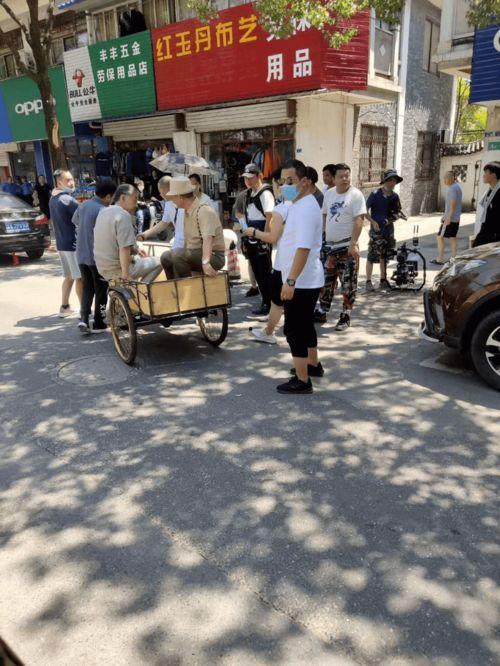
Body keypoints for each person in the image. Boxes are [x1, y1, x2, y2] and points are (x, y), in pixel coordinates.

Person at [275, 159, 324, 394]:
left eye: (290, 180)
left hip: (301, 282)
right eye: (283, 181)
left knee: (294, 330)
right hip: (305, 279)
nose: (285, 186)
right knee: (305, 326)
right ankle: (312, 364)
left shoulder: (305, 208)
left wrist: (290, 281)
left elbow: (303, 248)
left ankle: (303, 381)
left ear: (304, 182)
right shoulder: (299, 203)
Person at [245, 169, 296, 344]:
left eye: (287, 182)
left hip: (289, 264)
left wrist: (255, 233)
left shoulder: (282, 208)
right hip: (293, 262)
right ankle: (269, 331)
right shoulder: (307, 205)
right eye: (282, 182)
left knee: (281, 300)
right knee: (278, 300)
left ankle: (280, 333)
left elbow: (273, 236)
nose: (282, 186)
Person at [318, 163, 366, 330]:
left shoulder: (355, 195)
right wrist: (322, 237)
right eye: (341, 176)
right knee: (326, 282)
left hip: (347, 247)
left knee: (348, 284)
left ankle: (346, 315)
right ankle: (322, 310)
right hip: (329, 247)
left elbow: (359, 220)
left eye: (347, 175)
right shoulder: (329, 194)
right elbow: (324, 215)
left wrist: (353, 243)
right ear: (334, 178)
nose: (345, 179)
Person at [72, 179, 116, 334]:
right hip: (96, 256)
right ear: (108, 196)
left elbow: (75, 221)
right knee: (101, 289)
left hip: (81, 254)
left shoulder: (83, 205)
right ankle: (99, 322)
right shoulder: (103, 210)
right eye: (113, 197)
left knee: (88, 288)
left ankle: (84, 319)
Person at [160, 176, 225, 279]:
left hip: (214, 255)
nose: (172, 201)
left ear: (180, 197)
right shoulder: (186, 212)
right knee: (166, 257)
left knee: (177, 255)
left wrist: (206, 263)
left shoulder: (204, 210)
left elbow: (208, 239)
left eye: (173, 197)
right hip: (195, 252)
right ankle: (174, 285)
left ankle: (187, 285)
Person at [94, 184, 162, 282]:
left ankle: (137, 287)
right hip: (118, 269)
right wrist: (125, 274)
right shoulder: (123, 215)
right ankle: (141, 289)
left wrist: (136, 250)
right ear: (123, 198)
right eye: (135, 198)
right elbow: (124, 248)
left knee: (139, 257)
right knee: (160, 261)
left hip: (102, 268)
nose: (136, 202)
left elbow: (115, 243)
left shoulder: (103, 212)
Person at [241, 163, 275, 316]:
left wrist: (265, 238)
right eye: (245, 178)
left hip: (261, 235)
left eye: (250, 177)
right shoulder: (250, 194)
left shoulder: (265, 193)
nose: (248, 181)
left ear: (259, 176)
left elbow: (270, 217)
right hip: (251, 235)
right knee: (257, 271)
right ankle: (265, 301)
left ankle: (269, 303)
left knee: (264, 272)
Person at [49, 169, 83, 317]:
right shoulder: (68, 200)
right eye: (67, 180)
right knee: (80, 278)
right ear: (59, 182)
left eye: (72, 179)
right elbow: (84, 219)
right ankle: (85, 311)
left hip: (62, 244)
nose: (71, 182)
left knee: (69, 276)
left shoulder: (53, 198)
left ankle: (64, 307)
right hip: (72, 244)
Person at [365, 169, 404, 291]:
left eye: (394, 181)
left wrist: (391, 219)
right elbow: (364, 211)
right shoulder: (375, 194)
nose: (393, 183)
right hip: (376, 231)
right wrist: (373, 222)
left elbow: (398, 213)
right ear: (385, 181)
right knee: (372, 256)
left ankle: (383, 280)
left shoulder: (395, 196)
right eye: (390, 180)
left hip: (389, 231)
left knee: (385, 256)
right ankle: (368, 281)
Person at [431, 171, 463, 265]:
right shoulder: (457, 187)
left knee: (439, 237)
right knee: (453, 238)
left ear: (452, 178)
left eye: (446, 178)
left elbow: (453, 204)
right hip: (455, 218)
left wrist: (448, 217)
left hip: (451, 219)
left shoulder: (452, 189)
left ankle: (440, 259)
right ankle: (454, 259)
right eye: (444, 178)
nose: (444, 180)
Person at [472, 162, 500, 248]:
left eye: (486, 173)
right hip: (485, 231)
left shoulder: (499, 192)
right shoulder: (489, 191)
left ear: (493, 175)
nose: (483, 176)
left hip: (495, 235)